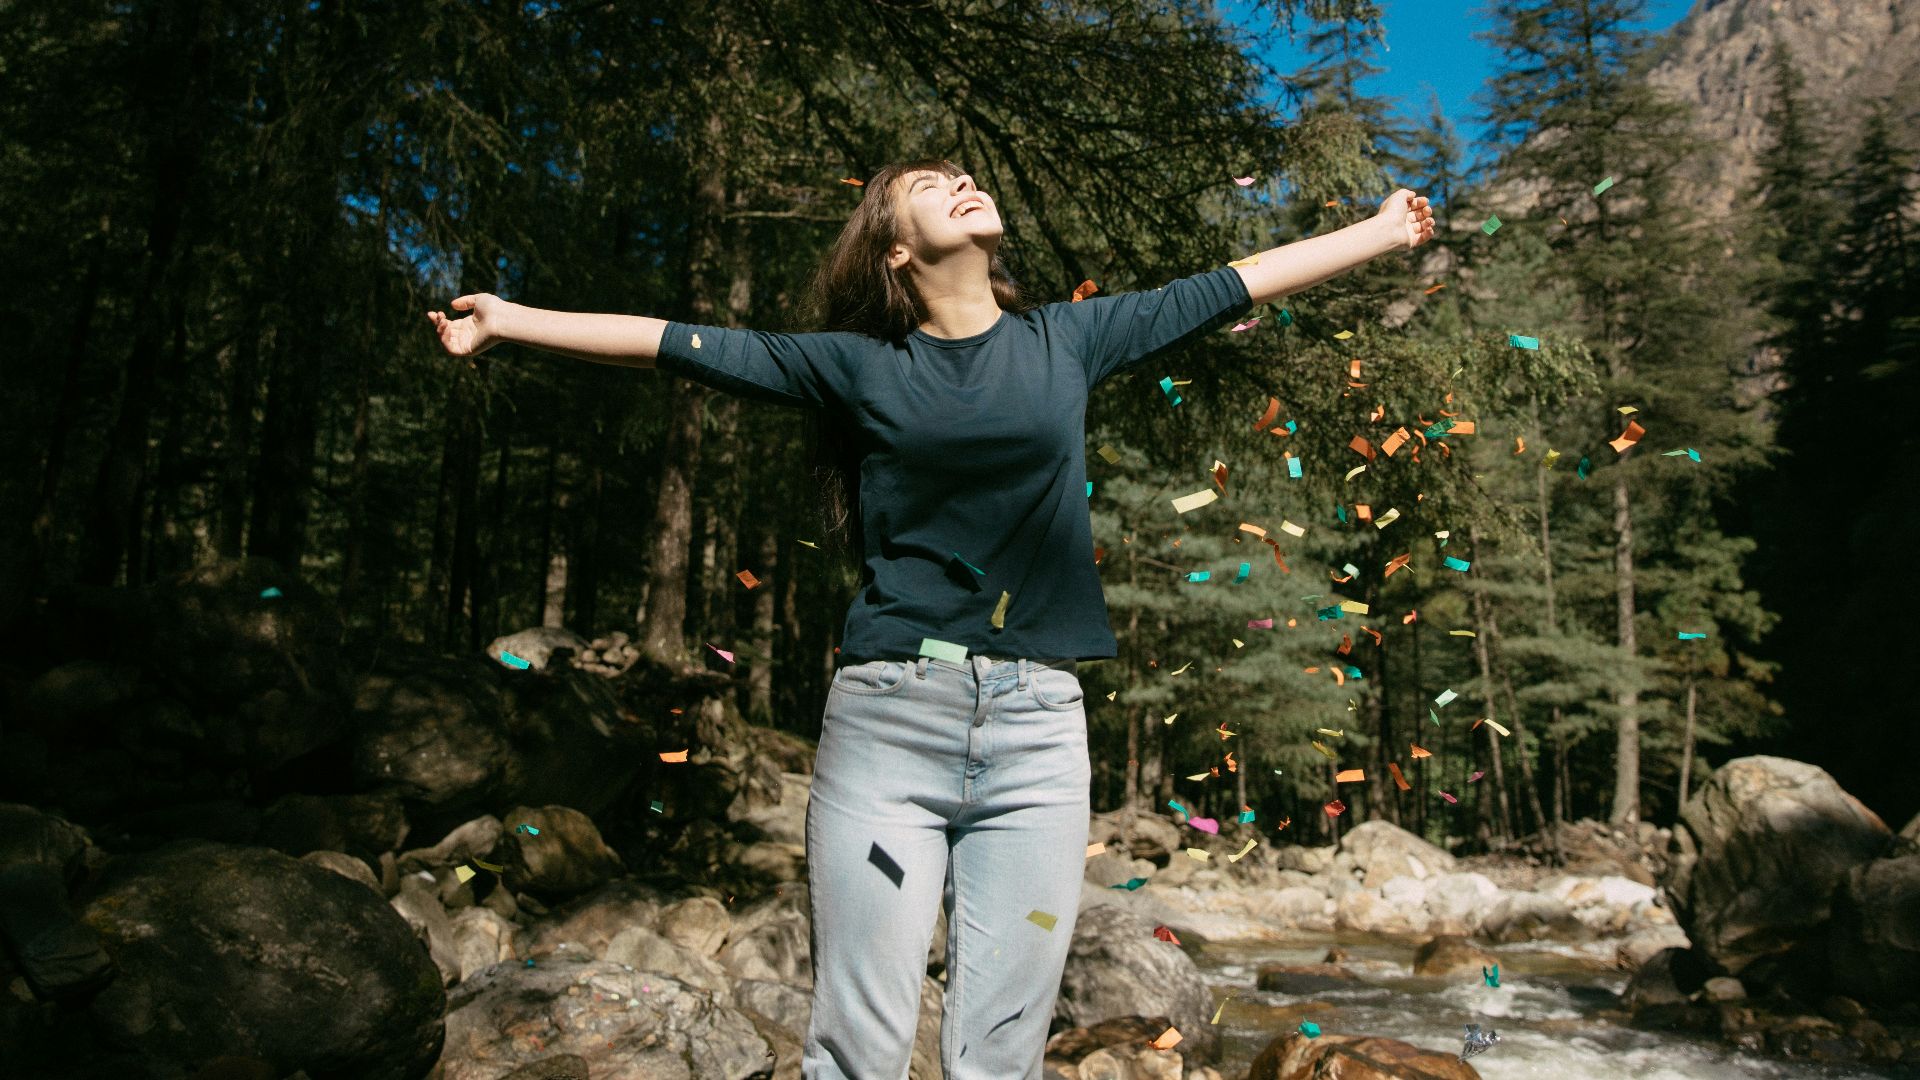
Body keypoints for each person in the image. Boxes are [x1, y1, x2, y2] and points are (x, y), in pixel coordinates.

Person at [428, 158, 1433, 1080]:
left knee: (1000, 1054)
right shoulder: (860, 367)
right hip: (888, 730)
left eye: (962, 173)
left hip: (1039, 733)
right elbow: (675, 346)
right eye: (926, 183)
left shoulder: (1068, 341)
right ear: (896, 250)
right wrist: (509, 319)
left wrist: (1383, 234)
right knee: (861, 1045)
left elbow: (1231, 285)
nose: (958, 181)